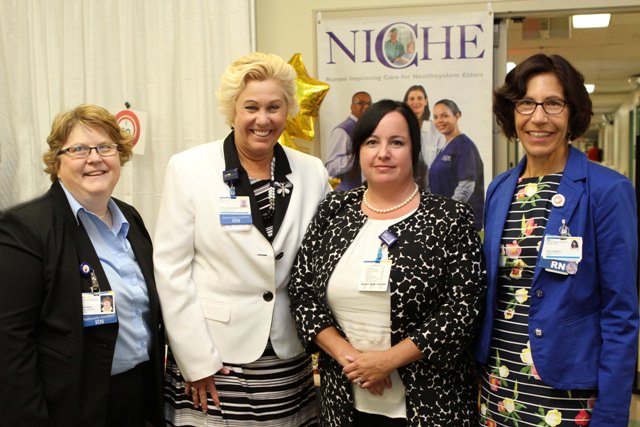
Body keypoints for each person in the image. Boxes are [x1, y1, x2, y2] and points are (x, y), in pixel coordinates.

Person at [154, 52, 331, 426]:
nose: (263, 119)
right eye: (251, 107)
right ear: (232, 109)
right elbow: (171, 269)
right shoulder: (188, 169)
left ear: (288, 110)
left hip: (288, 356)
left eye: (274, 107)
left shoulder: (311, 171)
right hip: (215, 358)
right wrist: (196, 360)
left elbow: (318, 262)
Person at [289, 99, 486, 426]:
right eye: (372, 142)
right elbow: (301, 292)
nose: (383, 153)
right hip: (344, 396)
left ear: (414, 150)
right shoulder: (333, 211)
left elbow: (463, 308)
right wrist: (354, 362)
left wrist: (388, 361)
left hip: (430, 401)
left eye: (397, 142)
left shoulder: (449, 219)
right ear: (359, 151)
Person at [474, 53, 639, 426]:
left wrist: (612, 415)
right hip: (499, 389)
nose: (538, 117)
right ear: (512, 114)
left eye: (553, 103)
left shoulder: (608, 190)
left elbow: (621, 313)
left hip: (569, 396)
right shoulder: (500, 188)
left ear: (572, 114)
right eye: (526, 103)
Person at [0, 104, 165, 426]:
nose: (94, 158)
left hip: (139, 393)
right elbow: (10, 343)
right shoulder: (26, 228)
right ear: (56, 161)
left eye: (105, 147)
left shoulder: (130, 217)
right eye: (78, 149)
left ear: (120, 155)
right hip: (70, 405)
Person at [429, 99, 484, 231]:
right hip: (445, 220)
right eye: (436, 117)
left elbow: (466, 186)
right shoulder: (445, 147)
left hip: (459, 223)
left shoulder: (464, 146)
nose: (439, 121)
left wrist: (449, 213)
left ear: (457, 116)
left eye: (444, 115)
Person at [325, 91, 372, 190]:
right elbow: (330, 168)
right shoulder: (341, 131)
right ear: (352, 106)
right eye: (361, 103)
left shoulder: (368, 128)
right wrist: (356, 157)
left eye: (369, 103)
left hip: (366, 193)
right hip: (346, 194)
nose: (366, 106)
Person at [403, 85, 445, 171]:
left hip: (430, 181)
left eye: (419, 98)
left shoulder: (437, 128)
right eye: (411, 99)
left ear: (426, 101)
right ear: (406, 102)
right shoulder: (399, 126)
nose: (415, 102)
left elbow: (442, 161)